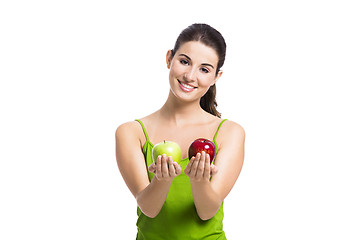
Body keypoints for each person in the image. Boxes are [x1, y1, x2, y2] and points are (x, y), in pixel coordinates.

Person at [115, 23, 245, 240]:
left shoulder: (229, 132)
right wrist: (162, 180)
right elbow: (149, 208)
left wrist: (200, 181)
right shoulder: (131, 132)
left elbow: (207, 211)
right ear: (169, 59)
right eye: (184, 62)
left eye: (204, 69)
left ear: (216, 77)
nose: (190, 76)